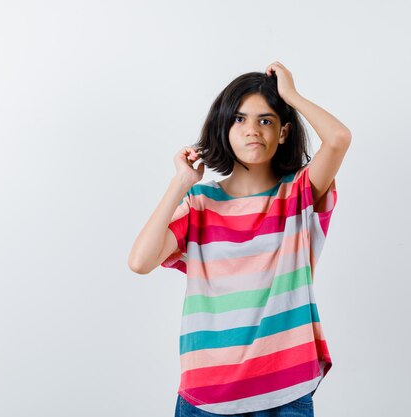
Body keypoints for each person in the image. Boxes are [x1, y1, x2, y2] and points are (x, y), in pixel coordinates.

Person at [128, 61, 351, 416]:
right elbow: (140, 262)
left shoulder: (298, 194)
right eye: (239, 119)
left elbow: (338, 139)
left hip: (284, 391)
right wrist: (180, 184)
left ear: (283, 132)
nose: (252, 130)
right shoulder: (199, 202)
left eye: (266, 120)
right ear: (224, 128)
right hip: (207, 393)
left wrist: (290, 94)